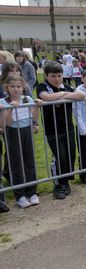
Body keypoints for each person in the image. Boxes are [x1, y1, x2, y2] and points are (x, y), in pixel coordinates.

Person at [36, 61, 85, 199]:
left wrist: (62, 94)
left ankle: (66, 182)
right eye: (53, 76)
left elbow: (81, 96)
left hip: (68, 127)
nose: (57, 79)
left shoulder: (66, 86)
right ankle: (58, 184)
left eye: (59, 75)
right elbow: (46, 97)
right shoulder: (42, 86)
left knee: (70, 154)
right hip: (53, 130)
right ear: (46, 76)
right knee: (60, 156)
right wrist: (65, 94)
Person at [0, 76, 41, 208]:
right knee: (16, 162)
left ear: (23, 87)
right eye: (12, 86)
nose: (16, 89)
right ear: (7, 88)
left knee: (29, 161)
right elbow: (6, 123)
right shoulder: (4, 101)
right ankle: (20, 195)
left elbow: (34, 117)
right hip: (13, 132)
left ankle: (32, 192)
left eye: (18, 86)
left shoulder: (27, 99)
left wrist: (37, 107)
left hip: (26, 131)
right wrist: (11, 108)